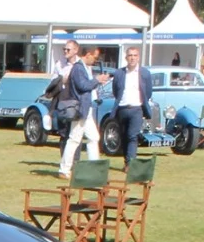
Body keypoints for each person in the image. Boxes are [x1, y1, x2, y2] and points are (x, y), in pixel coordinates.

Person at [56, 39, 103, 178]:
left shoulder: (83, 67)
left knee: (94, 137)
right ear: (88, 54)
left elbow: (86, 86)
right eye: (95, 57)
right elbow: (83, 86)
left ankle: (95, 168)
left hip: (86, 109)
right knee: (74, 139)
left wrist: (96, 81)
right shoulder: (78, 68)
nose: (95, 60)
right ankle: (64, 170)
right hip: (80, 109)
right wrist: (97, 80)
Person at [111, 46, 151, 164]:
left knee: (132, 136)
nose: (132, 58)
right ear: (126, 58)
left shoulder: (145, 73)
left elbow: (148, 92)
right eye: (130, 55)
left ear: (138, 57)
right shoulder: (119, 73)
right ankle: (126, 160)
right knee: (123, 136)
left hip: (136, 109)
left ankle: (131, 164)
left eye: (135, 55)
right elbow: (115, 90)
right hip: (122, 109)